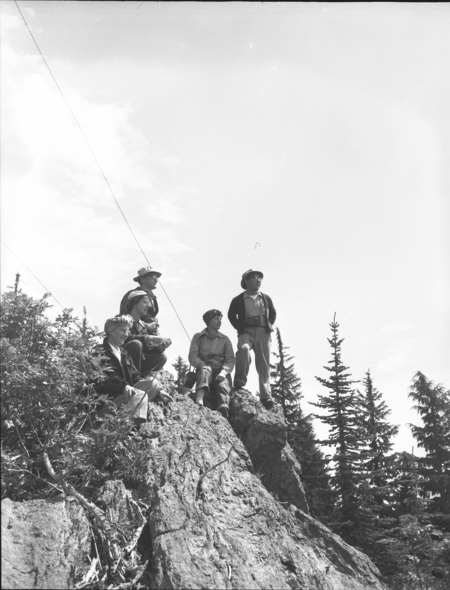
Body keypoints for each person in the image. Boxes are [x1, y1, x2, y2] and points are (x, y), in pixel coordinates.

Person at [94, 315, 172, 425]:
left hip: (125, 398)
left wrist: (158, 392)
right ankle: (125, 425)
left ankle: (125, 418)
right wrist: (122, 386)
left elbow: (135, 377)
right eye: (123, 330)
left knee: (153, 384)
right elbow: (101, 379)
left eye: (128, 331)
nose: (126, 334)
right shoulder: (99, 351)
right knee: (140, 395)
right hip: (108, 402)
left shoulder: (124, 354)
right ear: (111, 331)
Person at [227, 269, 276, 409]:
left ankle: (266, 396)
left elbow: (273, 313)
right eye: (255, 277)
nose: (258, 280)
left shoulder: (265, 298)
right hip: (246, 332)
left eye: (260, 278)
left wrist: (269, 326)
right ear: (246, 281)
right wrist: (239, 328)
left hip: (263, 332)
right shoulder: (238, 299)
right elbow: (231, 315)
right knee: (243, 349)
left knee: (263, 364)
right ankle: (239, 382)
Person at [188, 309, 235, 419]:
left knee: (223, 383)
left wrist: (224, 372)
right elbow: (192, 356)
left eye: (220, 319)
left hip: (220, 369)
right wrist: (202, 365)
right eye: (216, 319)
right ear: (209, 321)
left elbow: (230, 360)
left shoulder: (225, 339)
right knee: (204, 372)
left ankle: (223, 407)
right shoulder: (198, 337)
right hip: (205, 368)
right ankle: (199, 399)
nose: (219, 321)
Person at [123, 290, 171, 377]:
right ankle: (133, 378)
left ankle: (141, 377)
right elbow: (125, 338)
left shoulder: (143, 325)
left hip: (137, 364)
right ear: (134, 303)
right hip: (123, 360)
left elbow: (146, 350)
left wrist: (160, 347)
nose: (148, 306)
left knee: (162, 357)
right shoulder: (123, 320)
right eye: (145, 302)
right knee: (136, 344)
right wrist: (149, 337)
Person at [119, 266, 161, 334]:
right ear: (142, 279)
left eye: (157, 277)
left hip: (149, 334)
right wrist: (146, 325)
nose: (156, 280)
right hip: (135, 334)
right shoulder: (131, 295)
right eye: (153, 276)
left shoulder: (151, 297)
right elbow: (124, 318)